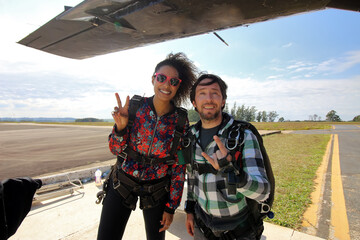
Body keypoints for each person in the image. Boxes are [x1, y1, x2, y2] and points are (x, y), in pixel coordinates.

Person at [97, 52, 198, 240]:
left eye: (173, 81)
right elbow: (115, 150)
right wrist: (120, 127)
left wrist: (171, 207)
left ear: (178, 86)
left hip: (157, 191)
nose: (167, 85)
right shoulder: (135, 107)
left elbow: (179, 167)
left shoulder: (181, 121)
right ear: (153, 79)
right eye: (162, 78)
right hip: (122, 183)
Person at [184, 74, 271, 240]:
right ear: (194, 103)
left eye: (215, 93)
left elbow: (263, 192)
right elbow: (192, 177)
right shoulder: (190, 138)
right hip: (202, 225)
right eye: (202, 93)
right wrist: (189, 211)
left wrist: (231, 171)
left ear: (223, 101)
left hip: (239, 230)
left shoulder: (243, 136)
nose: (209, 99)